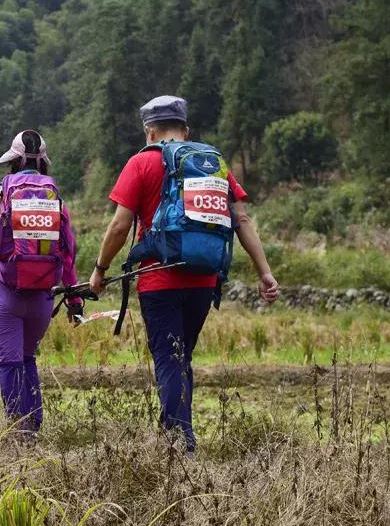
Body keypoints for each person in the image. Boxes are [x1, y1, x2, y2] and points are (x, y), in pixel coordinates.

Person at [89, 95, 279, 453]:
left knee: (169, 359)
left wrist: (100, 270)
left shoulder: (142, 162)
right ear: (186, 129)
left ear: (150, 131)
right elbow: (242, 220)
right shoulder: (214, 163)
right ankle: (178, 435)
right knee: (182, 357)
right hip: (204, 279)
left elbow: (119, 226)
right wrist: (265, 273)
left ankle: (180, 443)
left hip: (159, 280)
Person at [0, 130, 81, 436]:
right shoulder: (56, 198)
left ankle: (18, 435)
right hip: (43, 297)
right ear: (43, 163)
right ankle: (33, 429)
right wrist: (74, 298)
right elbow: (68, 251)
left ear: (13, 162)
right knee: (27, 359)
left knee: (10, 363)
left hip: (6, 293)